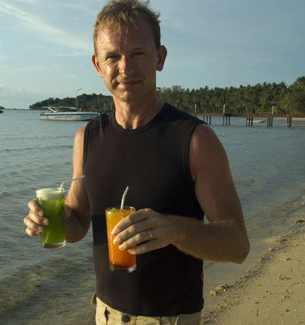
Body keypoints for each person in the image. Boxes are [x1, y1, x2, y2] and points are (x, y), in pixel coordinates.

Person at [24, 0, 250, 324]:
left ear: (160, 58)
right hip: (105, 314)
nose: (125, 68)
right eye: (112, 56)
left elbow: (238, 245)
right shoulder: (86, 139)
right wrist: (49, 221)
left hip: (171, 318)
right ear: (97, 65)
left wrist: (174, 230)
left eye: (138, 54)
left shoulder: (196, 140)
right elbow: (76, 226)